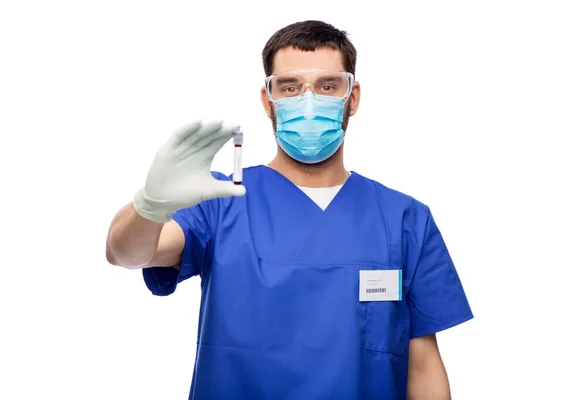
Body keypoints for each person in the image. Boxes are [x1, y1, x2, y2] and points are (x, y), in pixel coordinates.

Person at [105, 20, 473, 400]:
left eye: (327, 86)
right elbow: (126, 253)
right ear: (268, 100)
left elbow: (423, 367)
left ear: (353, 96)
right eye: (290, 87)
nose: (308, 101)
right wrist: (152, 204)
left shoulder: (403, 219)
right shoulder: (220, 201)